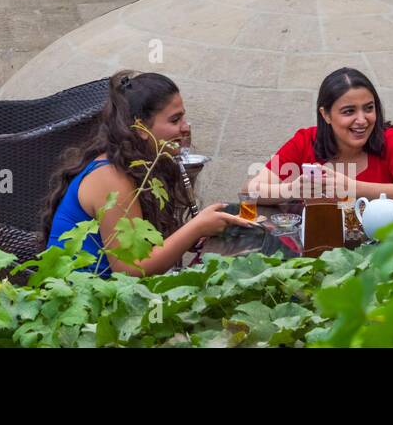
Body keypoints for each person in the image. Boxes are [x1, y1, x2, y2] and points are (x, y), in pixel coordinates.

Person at [44, 71, 253, 277]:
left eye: (183, 117)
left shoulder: (137, 165)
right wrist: (196, 228)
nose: (185, 127)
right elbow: (131, 268)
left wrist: (186, 234)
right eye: (175, 120)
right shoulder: (111, 177)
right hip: (85, 299)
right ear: (141, 128)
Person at [247, 67, 393, 206]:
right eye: (349, 111)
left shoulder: (391, 139)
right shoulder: (305, 141)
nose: (362, 120)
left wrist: (350, 186)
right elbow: (250, 191)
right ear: (325, 115)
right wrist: (291, 190)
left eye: (369, 108)